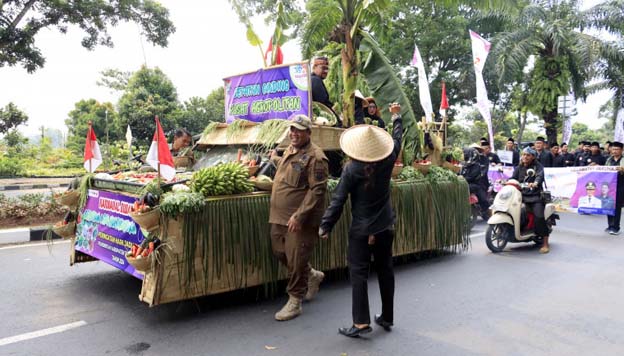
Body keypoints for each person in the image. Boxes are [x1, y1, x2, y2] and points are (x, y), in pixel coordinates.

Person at [318, 103, 404, 338]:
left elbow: (339, 199)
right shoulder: (388, 161)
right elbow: (397, 139)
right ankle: (387, 316)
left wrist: (326, 225)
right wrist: (396, 116)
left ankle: (361, 323)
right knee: (386, 270)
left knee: (358, 273)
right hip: (385, 226)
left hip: (362, 230)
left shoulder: (352, 169)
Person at [268, 114, 329, 321]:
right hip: (278, 216)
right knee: (279, 251)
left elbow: (317, 190)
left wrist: (300, 215)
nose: (294, 133)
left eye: (299, 130)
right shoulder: (290, 150)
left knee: (296, 258)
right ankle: (311, 274)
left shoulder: (316, 157)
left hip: (298, 219)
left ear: (308, 133)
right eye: (292, 130)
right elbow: (290, 169)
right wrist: (274, 158)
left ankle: (295, 300)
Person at [511, 147, 551, 253]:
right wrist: (505, 181)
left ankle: (545, 243)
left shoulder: (538, 166)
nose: (525, 157)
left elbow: (539, 176)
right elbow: (513, 178)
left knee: (539, 217)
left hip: (535, 196)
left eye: (528, 155)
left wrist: (535, 183)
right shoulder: (519, 167)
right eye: (524, 154)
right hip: (521, 196)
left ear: (533, 157)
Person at [461, 145, 489, 220]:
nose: (464, 155)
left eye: (466, 154)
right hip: (465, 184)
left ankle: (485, 211)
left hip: (477, 185)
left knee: (483, 200)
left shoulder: (476, 165)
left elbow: (471, 177)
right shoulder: (464, 165)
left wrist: (461, 179)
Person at [605, 141, 624, 235]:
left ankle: (616, 227)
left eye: (617, 149)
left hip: (620, 186)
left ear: (622, 150)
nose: (615, 151)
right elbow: (604, 170)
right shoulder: (609, 160)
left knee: (617, 207)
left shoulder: (623, 160)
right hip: (609, 186)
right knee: (608, 205)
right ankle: (610, 225)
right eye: (613, 149)